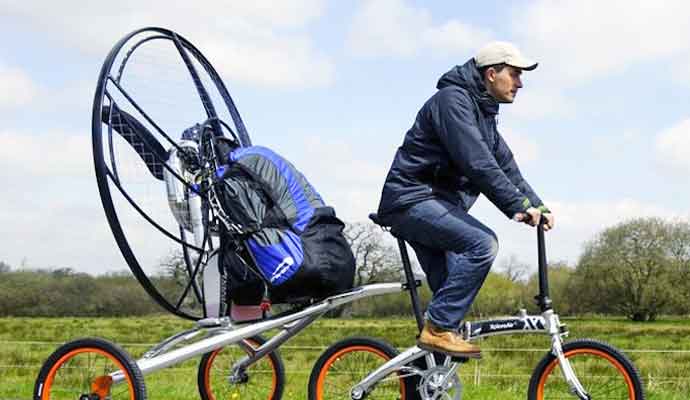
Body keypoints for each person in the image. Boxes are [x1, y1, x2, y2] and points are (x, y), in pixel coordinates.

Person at [376, 41, 555, 358]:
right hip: (411, 200)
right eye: (514, 74)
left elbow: (507, 168)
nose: (520, 83)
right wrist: (517, 206)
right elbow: (477, 164)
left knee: (452, 296)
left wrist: (538, 205)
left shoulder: (484, 116)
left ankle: (426, 377)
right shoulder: (453, 101)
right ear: (491, 73)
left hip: (437, 206)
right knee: (482, 245)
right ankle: (436, 331)